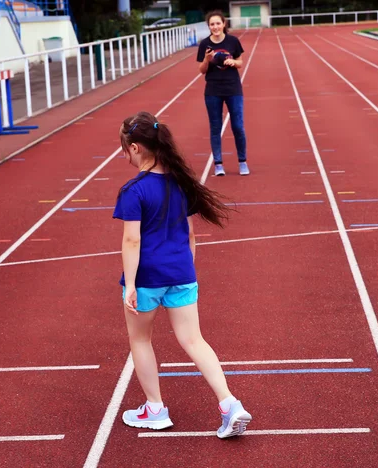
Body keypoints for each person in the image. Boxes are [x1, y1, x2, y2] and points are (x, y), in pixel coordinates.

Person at [113, 111, 252, 438]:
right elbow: (189, 234)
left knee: (140, 340)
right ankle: (229, 403)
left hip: (147, 278)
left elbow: (132, 240)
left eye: (124, 149)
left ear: (135, 148)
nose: (123, 156)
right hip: (182, 273)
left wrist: (130, 284)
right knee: (194, 339)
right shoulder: (181, 183)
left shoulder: (134, 190)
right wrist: (185, 267)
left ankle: (155, 409)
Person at [197, 10, 249, 177]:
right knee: (215, 128)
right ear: (209, 26)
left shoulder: (233, 41)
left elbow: (240, 62)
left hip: (233, 89)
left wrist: (233, 61)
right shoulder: (205, 44)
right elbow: (202, 71)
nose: (215, 27)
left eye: (218, 23)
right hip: (213, 91)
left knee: (238, 127)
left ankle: (242, 161)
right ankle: (218, 164)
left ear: (224, 24)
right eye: (212, 24)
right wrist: (207, 59)